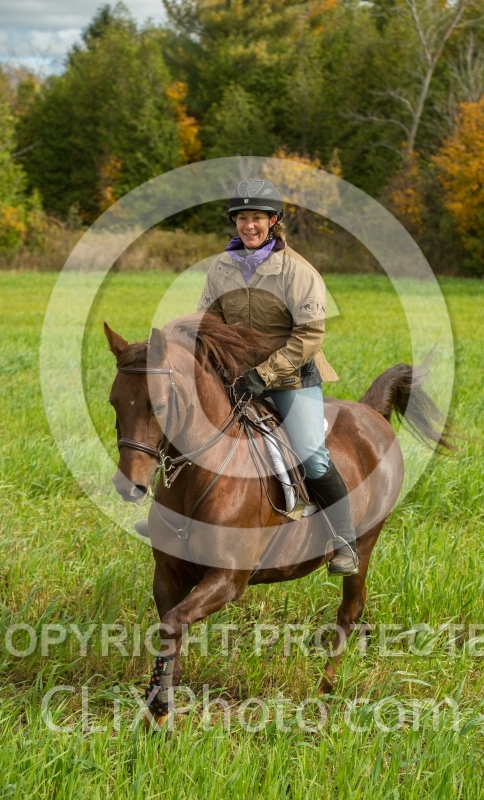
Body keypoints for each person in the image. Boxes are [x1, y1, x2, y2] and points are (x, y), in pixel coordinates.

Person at [197, 178, 359, 576]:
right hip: (234, 377)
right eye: (242, 218)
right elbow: (207, 322)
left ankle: (345, 542)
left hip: (290, 379)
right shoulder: (220, 268)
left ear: (273, 221)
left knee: (311, 454)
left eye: (257, 218)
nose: (249, 225)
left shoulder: (298, 270)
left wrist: (263, 375)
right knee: (186, 431)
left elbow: (309, 336)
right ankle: (175, 522)